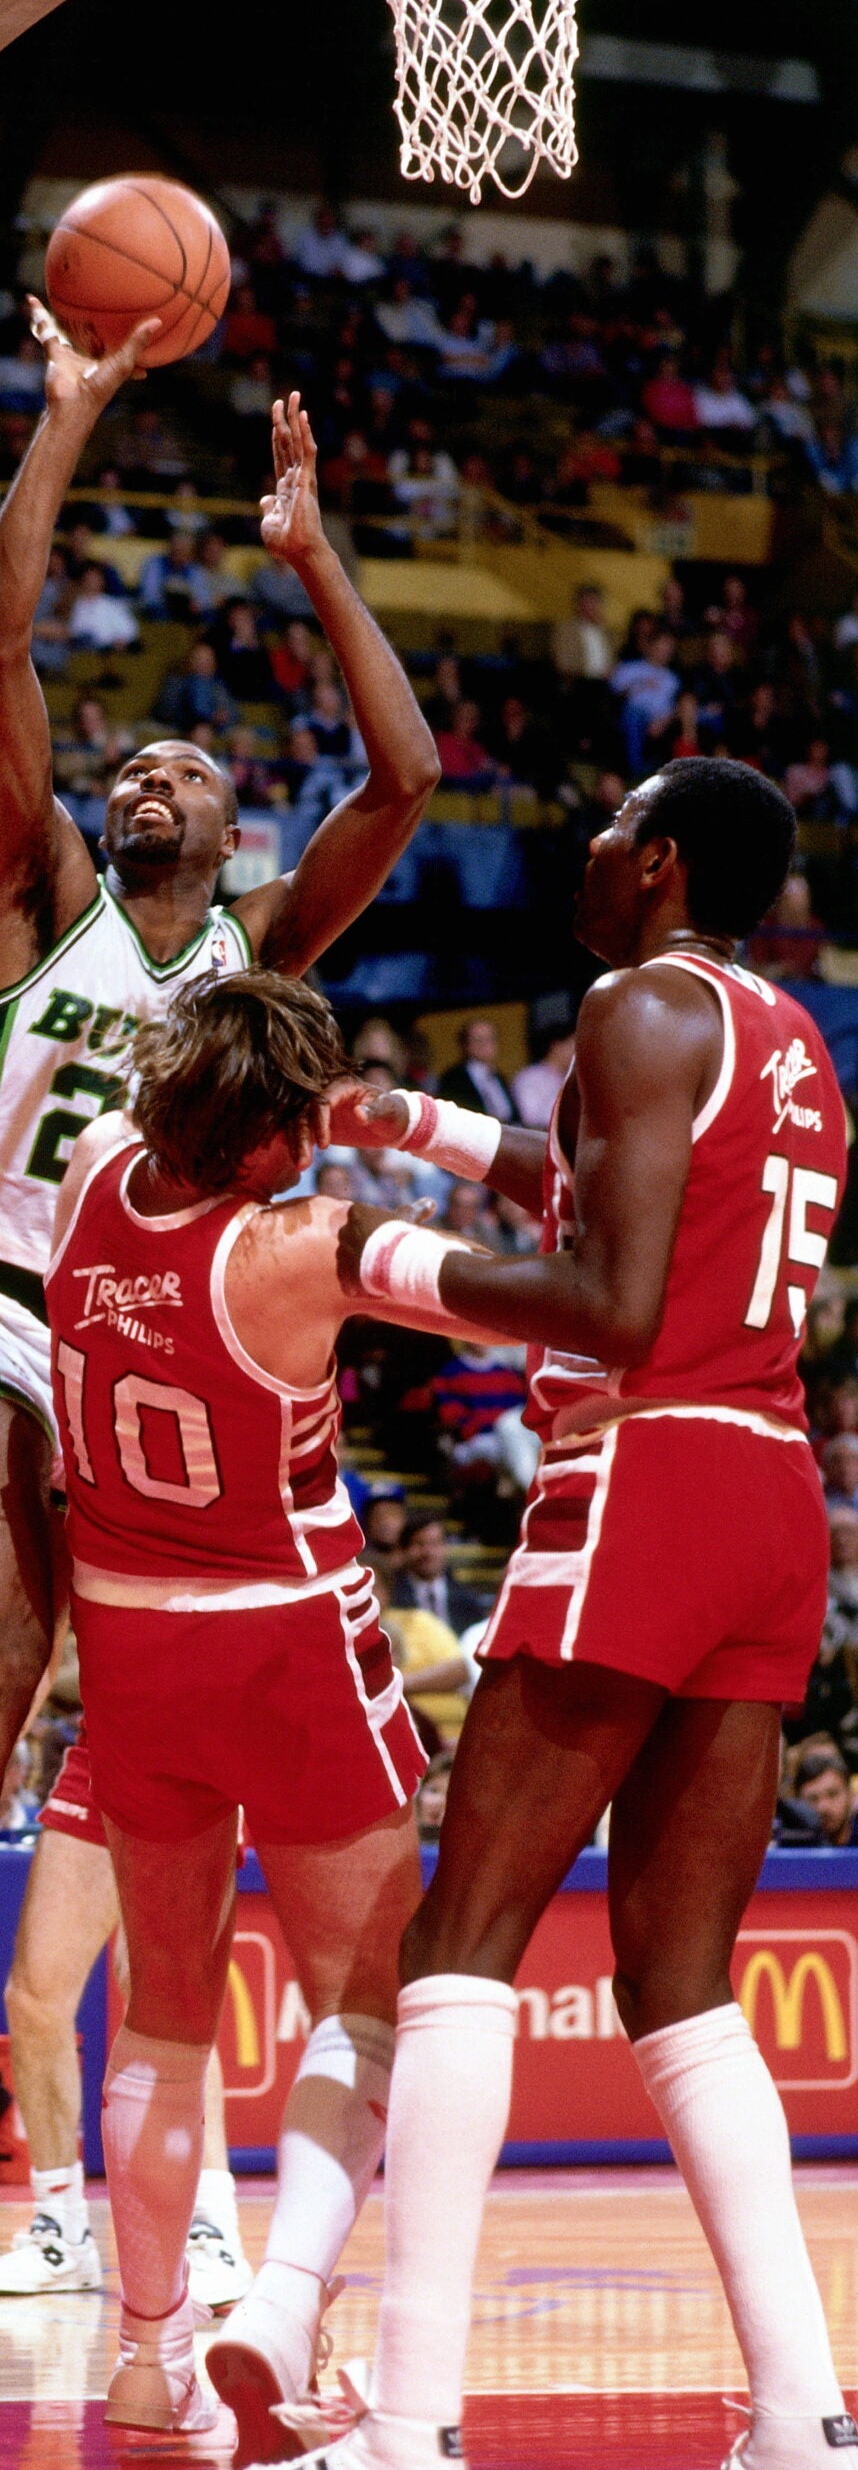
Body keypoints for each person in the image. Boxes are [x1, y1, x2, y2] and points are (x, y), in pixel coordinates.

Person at [0, 349, 437, 2213]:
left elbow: (407, 776)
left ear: (229, 833)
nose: (146, 772)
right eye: (133, 763)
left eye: (184, 768)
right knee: (1, 1657)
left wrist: (312, 558)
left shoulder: (257, 951)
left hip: (131, 1340)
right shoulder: (42, 888)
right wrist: (65, 412)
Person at [310, 757, 851, 2470]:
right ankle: (800, 2411)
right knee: (683, 1985)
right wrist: (419, 1127)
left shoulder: (630, 1007)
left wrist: (361, 1260)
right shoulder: (786, 1036)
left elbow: (611, 1298)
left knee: (456, 1947)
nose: (588, 851)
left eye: (611, 829)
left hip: (644, 1477)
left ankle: (408, 2420)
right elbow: (619, 1186)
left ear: (660, 860)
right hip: (770, 1494)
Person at [37, 971, 477, 2436]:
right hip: (285, 1637)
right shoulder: (299, 1246)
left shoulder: (92, 1167)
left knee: (161, 2013)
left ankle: (145, 2356)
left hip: (128, 1643)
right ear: (279, 1130)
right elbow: (517, 1308)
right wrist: (414, 1128)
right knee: (362, 1995)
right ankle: (286, 2310)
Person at [0, 1736, 249, 2319]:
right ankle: (60, 2230)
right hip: (105, 1753)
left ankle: (211, 2229)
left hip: (204, 1754)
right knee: (34, 1995)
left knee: (164, 1994)